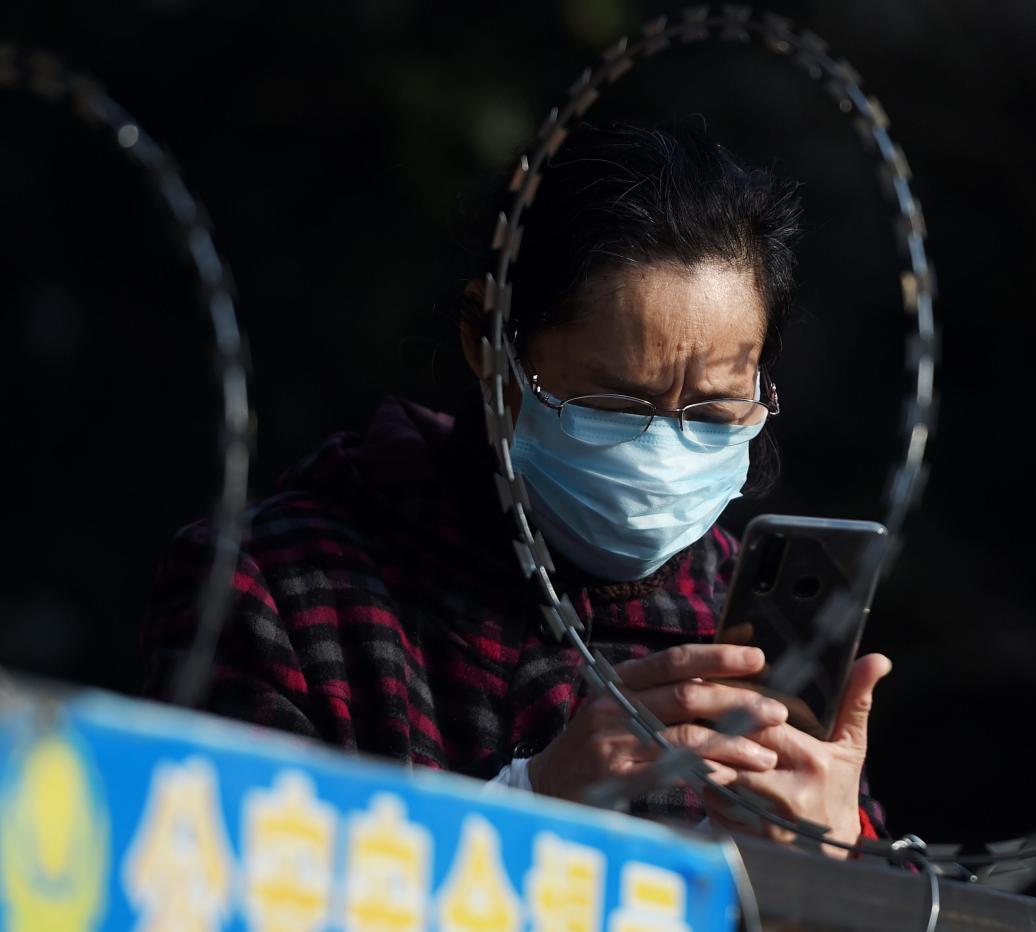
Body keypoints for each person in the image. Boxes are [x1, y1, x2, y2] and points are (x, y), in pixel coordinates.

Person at [142, 119, 892, 856]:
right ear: (491, 348)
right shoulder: (283, 594)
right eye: (613, 406)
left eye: (717, 409)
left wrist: (839, 870)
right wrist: (525, 807)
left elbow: (905, 887)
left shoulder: (748, 631)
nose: (664, 449)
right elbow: (210, 882)